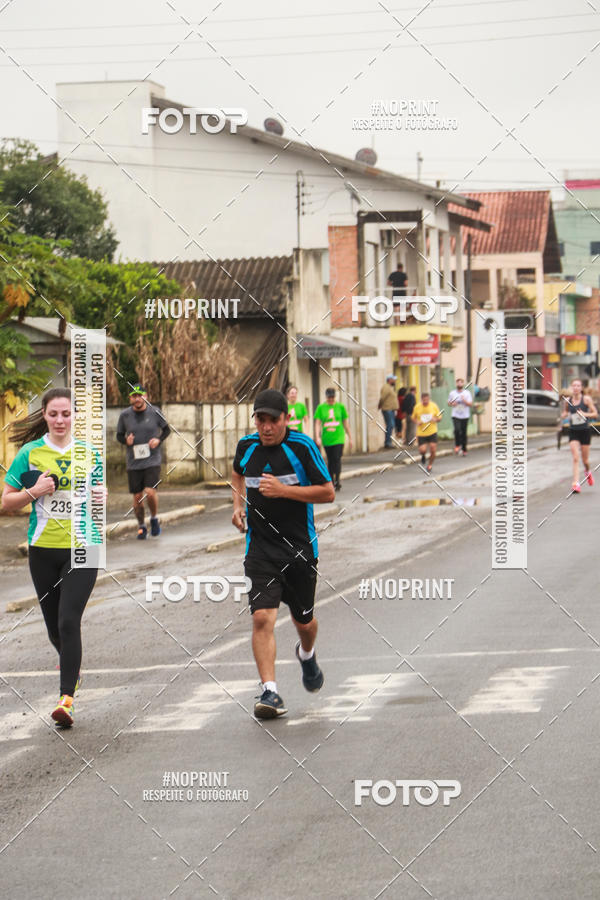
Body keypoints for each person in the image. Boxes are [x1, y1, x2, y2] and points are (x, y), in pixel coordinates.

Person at [231, 389, 335, 719]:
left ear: (286, 419)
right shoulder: (247, 447)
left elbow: (328, 492)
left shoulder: (302, 447)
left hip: (299, 549)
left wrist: (284, 491)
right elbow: (237, 473)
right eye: (260, 420)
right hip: (260, 549)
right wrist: (237, 506)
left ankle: (307, 653)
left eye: (272, 420)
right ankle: (270, 692)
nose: (266, 427)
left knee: (304, 621)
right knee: (262, 617)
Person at [1, 388, 102, 727]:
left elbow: (97, 497)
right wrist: (35, 491)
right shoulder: (29, 453)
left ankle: (66, 700)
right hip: (42, 549)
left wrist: (100, 497)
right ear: (44, 415)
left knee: (68, 620)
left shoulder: (90, 453)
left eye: (66, 414)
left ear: (75, 416)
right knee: (54, 629)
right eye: (54, 414)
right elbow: (6, 501)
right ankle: (73, 669)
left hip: (84, 547)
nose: (60, 420)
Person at [116, 384, 170, 539]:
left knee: (150, 492)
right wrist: (126, 441)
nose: (137, 399)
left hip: (152, 459)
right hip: (133, 462)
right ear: (130, 398)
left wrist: (158, 440)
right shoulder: (125, 415)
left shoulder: (155, 412)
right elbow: (119, 435)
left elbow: (167, 430)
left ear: (146, 397)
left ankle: (154, 518)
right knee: (137, 497)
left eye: (140, 396)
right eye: (134, 396)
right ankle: (141, 526)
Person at [314, 388, 352, 490]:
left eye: (332, 397)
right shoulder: (321, 408)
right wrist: (317, 436)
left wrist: (350, 437)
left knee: (337, 458)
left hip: (339, 437)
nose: (331, 399)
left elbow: (345, 422)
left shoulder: (340, 407)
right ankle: (331, 480)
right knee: (330, 460)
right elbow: (317, 423)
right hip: (327, 438)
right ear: (326, 397)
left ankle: (337, 480)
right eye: (329, 397)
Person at [563, 379, 597, 493]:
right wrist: (563, 415)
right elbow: (565, 412)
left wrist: (585, 414)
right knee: (576, 457)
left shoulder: (586, 399)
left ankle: (587, 472)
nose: (576, 388)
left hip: (585, 431)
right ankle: (576, 483)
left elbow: (595, 413)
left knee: (585, 460)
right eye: (574, 386)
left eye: (578, 386)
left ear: (581, 388)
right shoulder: (568, 401)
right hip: (573, 431)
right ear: (571, 387)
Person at [412, 392, 443, 472]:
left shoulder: (433, 406)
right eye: (424, 400)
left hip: (432, 431)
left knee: (433, 449)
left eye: (427, 400)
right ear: (421, 399)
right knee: (422, 450)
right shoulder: (417, 407)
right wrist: (417, 422)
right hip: (422, 432)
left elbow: (439, 417)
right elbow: (413, 417)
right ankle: (423, 455)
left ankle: (430, 465)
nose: (425, 402)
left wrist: (435, 419)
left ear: (429, 399)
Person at [448, 377, 472, 456]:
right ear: (456, 384)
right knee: (457, 430)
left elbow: (470, 404)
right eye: (458, 382)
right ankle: (457, 445)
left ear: (463, 384)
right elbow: (449, 403)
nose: (459, 384)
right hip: (456, 415)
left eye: (461, 382)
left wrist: (464, 400)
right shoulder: (452, 393)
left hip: (465, 416)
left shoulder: (467, 393)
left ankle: (464, 449)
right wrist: (452, 403)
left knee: (464, 432)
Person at [378, 374, 398, 449]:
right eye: (394, 379)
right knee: (390, 425)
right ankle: (387, 442)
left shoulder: (390, 387)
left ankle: (389, 442)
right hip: (387, 409)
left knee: (391, 425)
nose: (395, 381)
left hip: (391, 409)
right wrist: (380, 405)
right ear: (390, 380)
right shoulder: (386, 387)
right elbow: (382, 398)